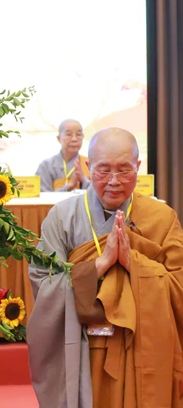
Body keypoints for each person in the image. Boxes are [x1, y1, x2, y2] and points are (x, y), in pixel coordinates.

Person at [27, 127, 183, 407]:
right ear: (88, 167)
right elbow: (43, 281)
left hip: (142, 346)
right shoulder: (62, 218)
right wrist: (98, 265)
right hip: (82, 347)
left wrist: (134, 264)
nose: (114, 181)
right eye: (103, 170)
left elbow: (179, 287)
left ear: (137, 167)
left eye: (124, 170)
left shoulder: (162, 218)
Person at [35, 119, 90, 192]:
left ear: (83, 137)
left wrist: (83, 179)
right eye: (69, 134)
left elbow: (98, 193)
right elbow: (43, 195)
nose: (74, 139)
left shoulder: (90, 163)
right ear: (59, 138)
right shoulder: (46, 166)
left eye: (78, 134)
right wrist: (69, 185)